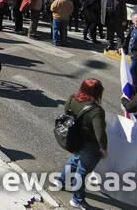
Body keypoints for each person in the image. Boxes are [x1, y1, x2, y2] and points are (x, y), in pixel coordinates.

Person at [58, 79, 107, 210]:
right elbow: (100, 133)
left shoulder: (71, 99)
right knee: (82, 171)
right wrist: (103, 148)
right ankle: (77, 199)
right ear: (97, 92)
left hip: (74, 139)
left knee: (74, 160)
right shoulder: (96, 110)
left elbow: (67, 115)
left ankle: (61, 181)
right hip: (89, 144)